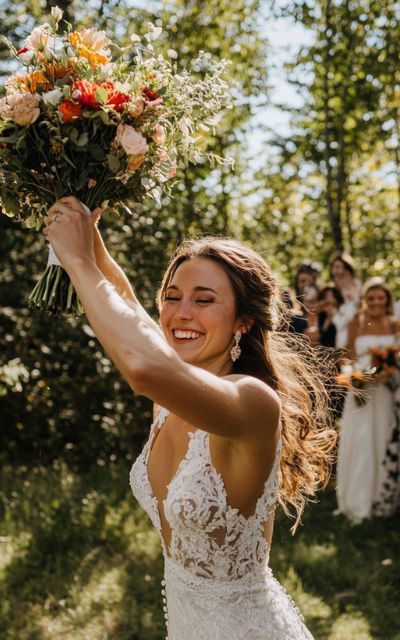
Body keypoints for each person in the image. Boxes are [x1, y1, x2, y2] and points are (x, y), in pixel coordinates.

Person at [43, 196, 337, 640]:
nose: (181, 313)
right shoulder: (179, 386)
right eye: (172, 297)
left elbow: (142, 367)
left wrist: (79, 260)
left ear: (242, 321)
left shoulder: (254, 401)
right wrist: (90, 235)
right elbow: (129, 308)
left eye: (204, 300)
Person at [336, 281, 400, 523]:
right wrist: (359, 377)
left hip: (386, 393)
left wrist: (386, 373)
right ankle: (358, 498)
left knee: (384, 439)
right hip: (361, 392)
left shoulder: (396, 325)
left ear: (387, 300)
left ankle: (382, 499)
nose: (375, 302)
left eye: (380, 298)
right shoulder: (357, 323)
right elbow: (348, 359)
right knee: (361, 440)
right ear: (365, 300)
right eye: (370, 298)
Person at [329, 253, 361, 348]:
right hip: (337, 341)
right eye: (333, 267)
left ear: (347, 269)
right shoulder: (332, 292)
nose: (335, 271)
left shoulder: (358, 289)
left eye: (338, 267)